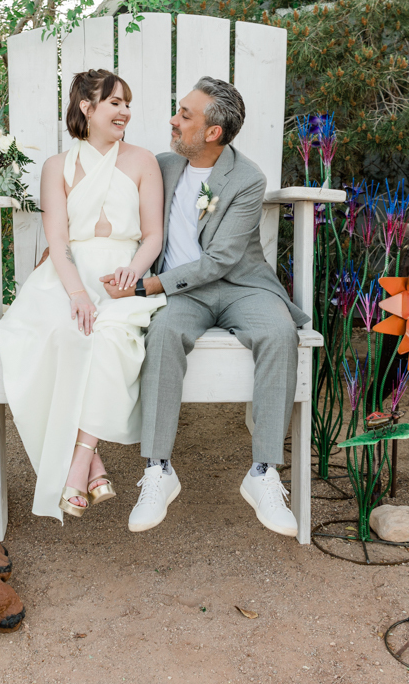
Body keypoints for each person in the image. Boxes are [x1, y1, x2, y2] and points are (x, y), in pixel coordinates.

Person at [99, 77, 308, 537]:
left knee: (278, 333)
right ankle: (158, 470)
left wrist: (146, 287)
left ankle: (264, 474)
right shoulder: (163, 166)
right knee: (165, 333)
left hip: (241, 286)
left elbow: (220, 261)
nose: (173, 121)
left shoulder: (248, 178)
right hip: (181, 294)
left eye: (185, 116)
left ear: (213, 132)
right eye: (179, 111)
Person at [0, 69, 165, 522]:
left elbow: (153, 235)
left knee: (110, 337)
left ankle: (78, 462)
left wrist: (133, 271)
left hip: (122, 274)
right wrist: (76, 293)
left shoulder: (143, 160)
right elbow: (58, 240)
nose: (125, 111)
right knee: (62, 338)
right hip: (65, 275)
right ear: (87, 108)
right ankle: (95, 467)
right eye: (115, 103)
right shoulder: (57, 167)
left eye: (128, 102)